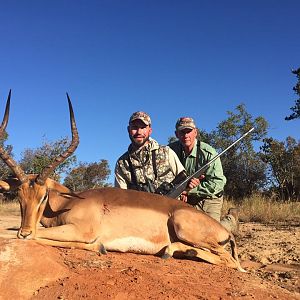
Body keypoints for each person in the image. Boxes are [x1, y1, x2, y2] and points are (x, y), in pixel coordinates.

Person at [168, 117, 239, 234]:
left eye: (189, 131)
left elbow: (218, 183)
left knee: (211, 234)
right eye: (182, 132)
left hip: (209, 197)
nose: (186, 135)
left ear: (195, 132)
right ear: (176, 134)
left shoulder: (208, 153)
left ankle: (231, 221)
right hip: (183, 197)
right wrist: (181, 192)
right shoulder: (170, 151)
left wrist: (190, 190)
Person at [115, 111, 198, 193]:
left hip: (170, 204)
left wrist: (189, 186)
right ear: (128, 130)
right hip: (139, 206)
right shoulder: (122, 163)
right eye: (135, 127)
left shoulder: (166, 152)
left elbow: (184, 180)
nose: (139, 132)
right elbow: (121, 196)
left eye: (143, 127)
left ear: (150, 130)